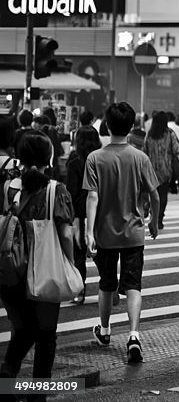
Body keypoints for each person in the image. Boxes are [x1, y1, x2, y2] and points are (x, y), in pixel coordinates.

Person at [0, 132, 74, 402]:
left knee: (22, 329)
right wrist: (69, 263)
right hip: (43, 270)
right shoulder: (56, 190)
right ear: (49, 157)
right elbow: (66, 234)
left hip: (11, 267)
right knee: (45, 335)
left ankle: (6, 383)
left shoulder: (10, 187)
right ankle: (36, 395)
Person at [84, 102, 160, 363]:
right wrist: (154, 221)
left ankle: (104, 331)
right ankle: (134, 336)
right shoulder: (140, 157)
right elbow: (155, 194)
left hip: (105, 234)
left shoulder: (95, 158)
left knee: (106, 283)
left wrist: (89, 231)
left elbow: (92, 197)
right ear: (131, 127)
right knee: (133, 285)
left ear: (107, 125)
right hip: (133, 234)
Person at [64, 126, 102, 305]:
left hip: (80, 213)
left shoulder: (74, 162)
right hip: (101, 211)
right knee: (102, 252)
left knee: (78, 254)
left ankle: (80, 291)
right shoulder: (102, 160)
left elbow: (71, 190)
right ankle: (110, 287)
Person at [142, 112, 179, 231]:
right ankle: (159, 220)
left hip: (151, 170)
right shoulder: (170, 134)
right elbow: (177, 150)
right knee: (163, 195)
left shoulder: (150, 134)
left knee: (152, 194)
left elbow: (144, 151)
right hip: (166, 170)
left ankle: (152, 216)